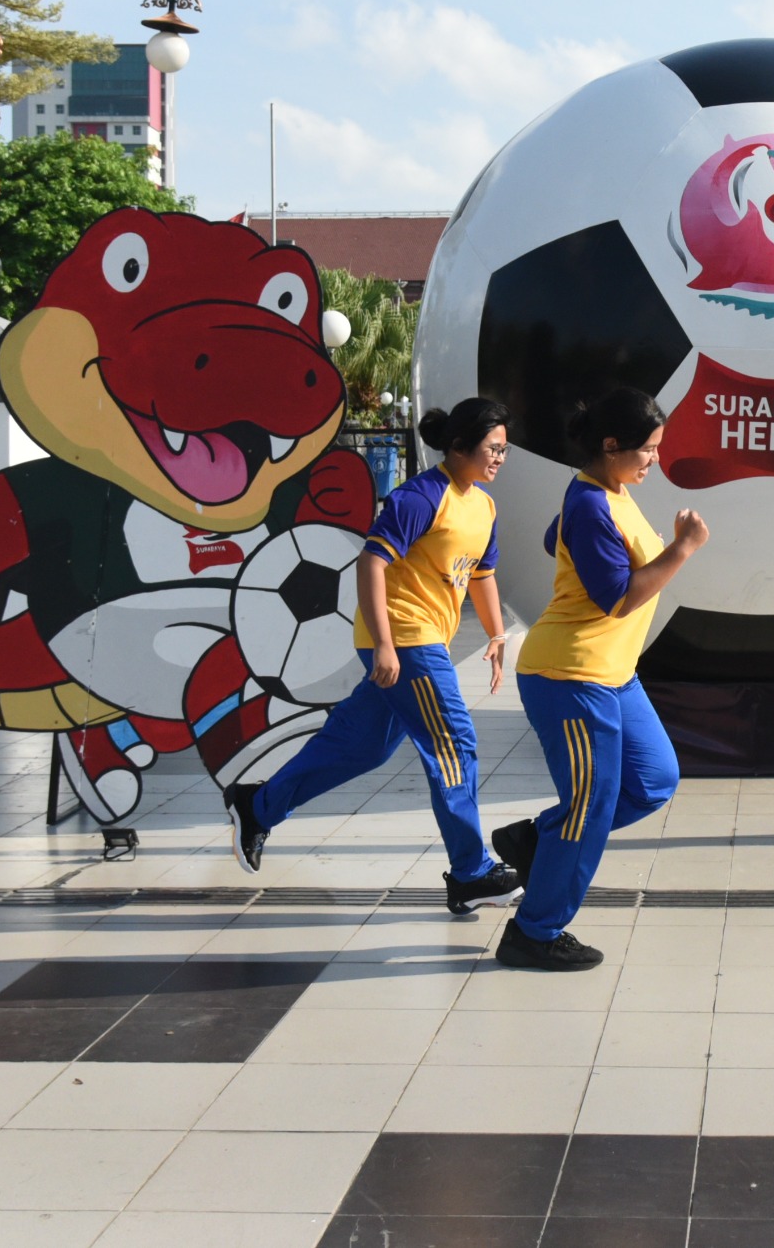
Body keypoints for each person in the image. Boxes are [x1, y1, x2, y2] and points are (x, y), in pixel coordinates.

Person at [223, 399, 523, 915]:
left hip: (422, 640)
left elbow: (482, 573)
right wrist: (384, 642)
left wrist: (497, 636)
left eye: (504, 449)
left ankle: (259, 805)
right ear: (458, 447)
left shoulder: (484, 506)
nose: (500, 457)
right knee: (453, 743)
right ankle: (471, 873)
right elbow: (371, 562)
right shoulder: (421, 496)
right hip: (405, 640)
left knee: (363, 749)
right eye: (493, 448)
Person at [489, 388, 708, 971]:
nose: (654, 460)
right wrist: (682, 550)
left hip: (613, 675)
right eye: (648, 450)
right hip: (571, 675)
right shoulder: (590, 504)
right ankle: (533, 932)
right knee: (589, 807)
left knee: (654, 779)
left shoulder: (607, 493)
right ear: (611, 446)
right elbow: (617, 598)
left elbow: (554, 539)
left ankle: (537, 841)